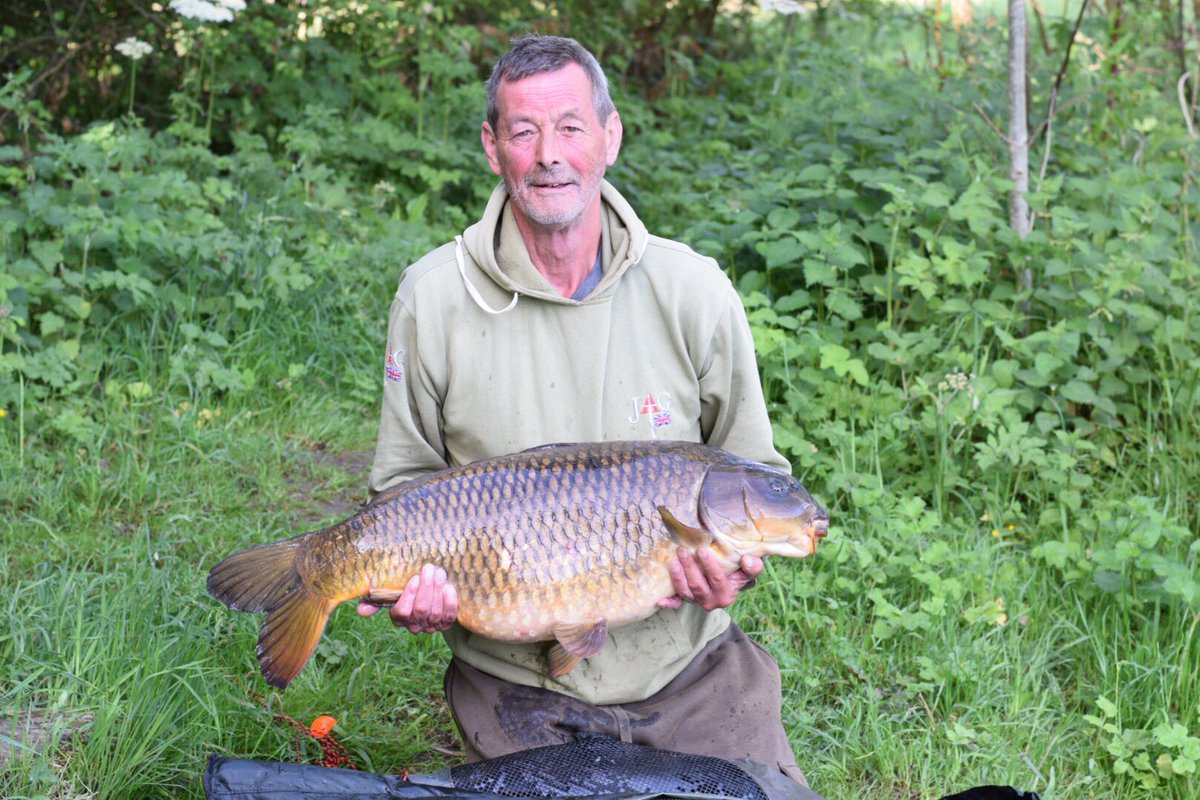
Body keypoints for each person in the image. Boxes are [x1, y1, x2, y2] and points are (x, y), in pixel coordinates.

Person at [361, 34, 822, 800]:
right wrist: (417, 593)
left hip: (690, 673)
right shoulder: (433, 296)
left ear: (609, 137)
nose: (549, 154)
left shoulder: (694, 291)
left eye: (571, 127)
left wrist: (731, 571)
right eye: (524, 130)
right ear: (492, 146)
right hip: (513, 680)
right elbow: (402, 485)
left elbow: (754, 473)